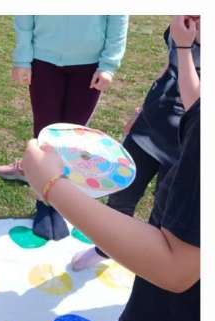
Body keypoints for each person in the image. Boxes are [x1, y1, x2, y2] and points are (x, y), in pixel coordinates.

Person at [20, 15, 199, 321]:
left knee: (165, 220)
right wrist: (182, 50)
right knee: (137, 205)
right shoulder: (186, 37)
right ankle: (105, 249)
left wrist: (52, 186)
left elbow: (176, 266)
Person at [72, 20, 201, 271]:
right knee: (121, 192)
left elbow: (195, 105)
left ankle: (149, 268)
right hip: (149, 127)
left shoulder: (187, 36)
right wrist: (142, 110)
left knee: (164, 216)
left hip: (184, 145)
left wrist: (185, 47)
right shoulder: (183, 23)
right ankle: (105, 249)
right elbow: (167, 71)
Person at [0, 15, 129, 239]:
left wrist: (108, 66)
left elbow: (118, 19)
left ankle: (58, 204)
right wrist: (22, 60)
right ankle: (42, 201)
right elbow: (25, 17)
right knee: (45, 136)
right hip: (43, 62)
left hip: (90, 65)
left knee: (71, 142)